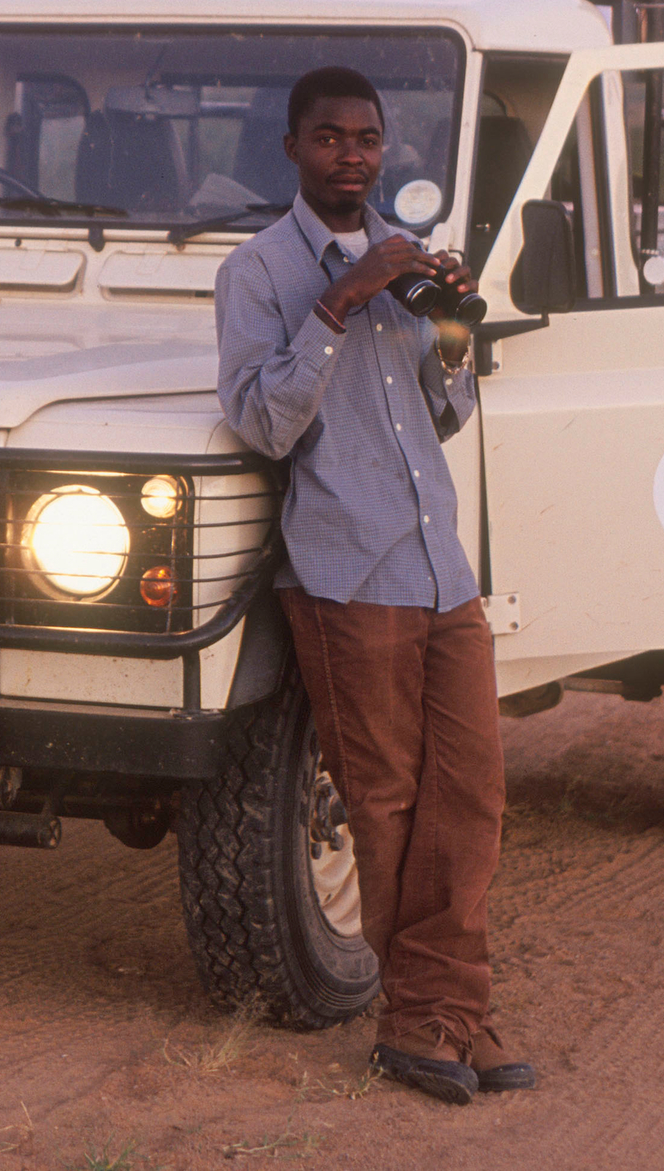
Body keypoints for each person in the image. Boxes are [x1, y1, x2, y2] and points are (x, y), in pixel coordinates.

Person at [213, 65, 535, 1106]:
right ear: (294, 149)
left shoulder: (401, 254)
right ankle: (423, 1018)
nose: (352, 154)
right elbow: (262, 422)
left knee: (471, 796)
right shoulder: (259, 273)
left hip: (440, 564)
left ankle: (456, 1007)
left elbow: (441, 419)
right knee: (387, 801)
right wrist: (342, 303)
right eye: (329, 137)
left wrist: (451, 333)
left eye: (367, 138)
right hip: (347, 568)